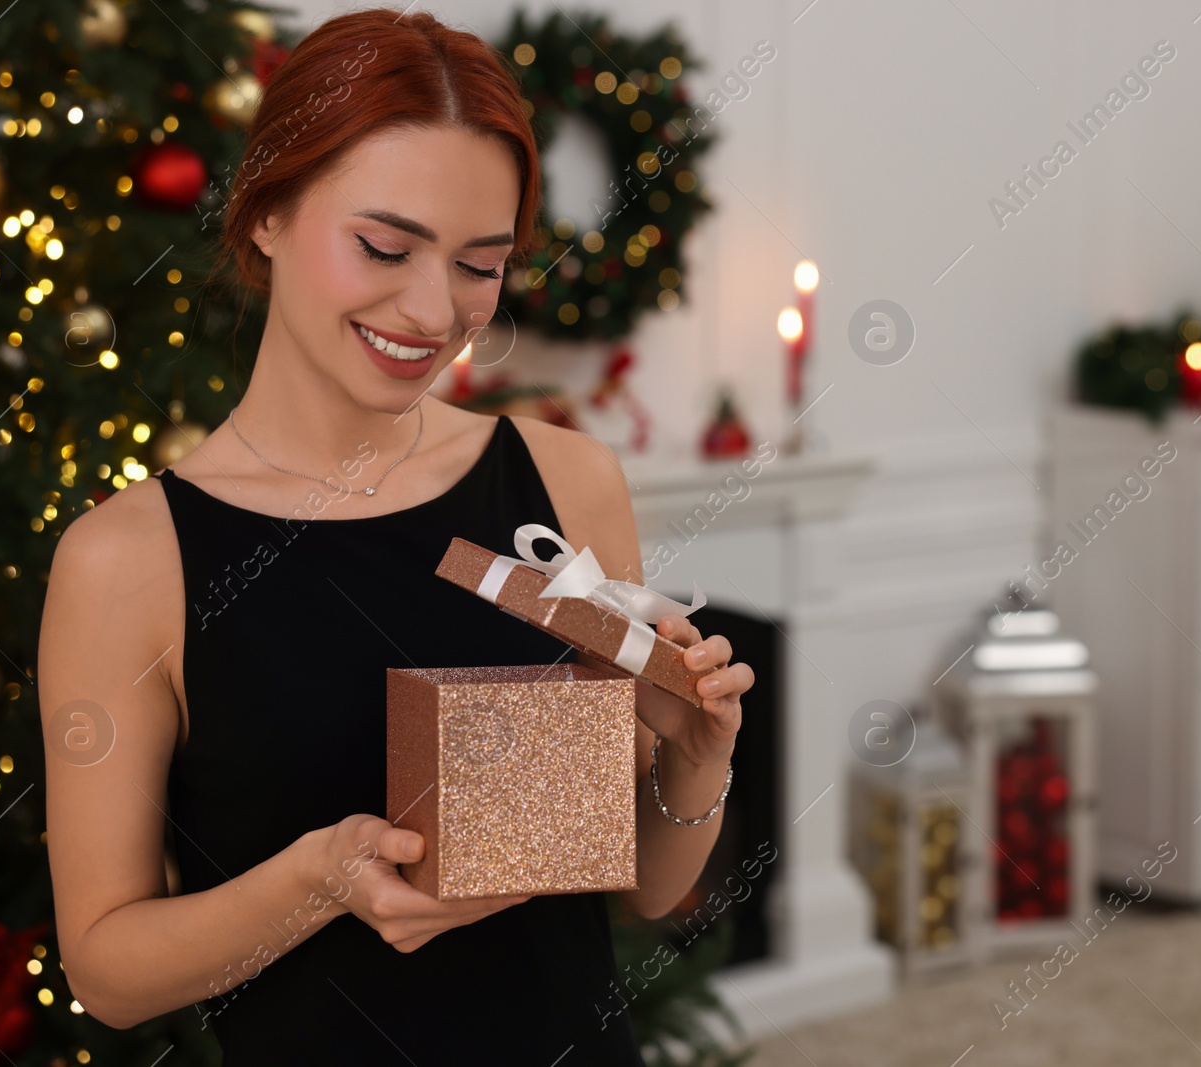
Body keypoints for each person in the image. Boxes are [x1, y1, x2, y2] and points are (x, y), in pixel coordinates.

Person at [37, 9, 754, 1063]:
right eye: (384, 245)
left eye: (480, 262)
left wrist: (694, 760)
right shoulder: (127, 560)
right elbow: (105, 971)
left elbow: (648, 885)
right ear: (269, 210)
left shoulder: (566, 480)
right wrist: (318, 880)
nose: (433, 310)